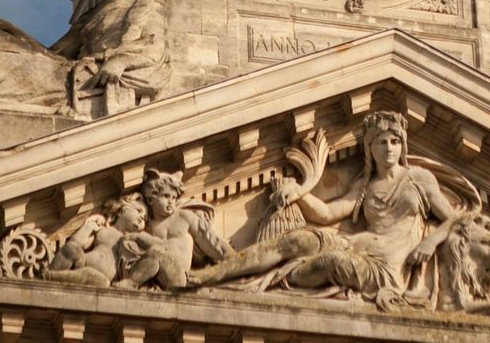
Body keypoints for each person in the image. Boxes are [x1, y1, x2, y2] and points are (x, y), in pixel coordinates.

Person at [190, 110, 460, 308]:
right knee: (298, 239)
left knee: (331, 262)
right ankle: (212, 273)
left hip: (386, 269)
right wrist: (299, 193)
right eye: (382, 142)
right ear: (370, 148)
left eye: (395, 141)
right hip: (354, 244)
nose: (389, 148)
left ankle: (257, 279)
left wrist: (431, 242)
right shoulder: (366, 186)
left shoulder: (419, 179)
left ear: (402, 146)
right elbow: (327, 215)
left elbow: (455, 219)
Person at [52, 0, 168, 114]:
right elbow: (54, 55)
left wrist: (120, 61)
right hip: (77, 75)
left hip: (95, 80)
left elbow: (154, 49)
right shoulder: (90, 16)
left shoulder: (149, 3)